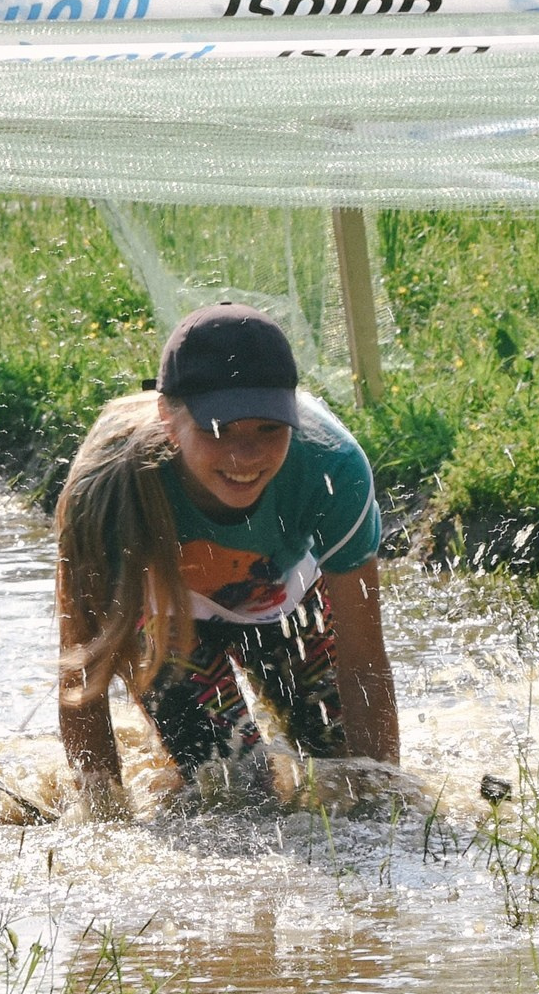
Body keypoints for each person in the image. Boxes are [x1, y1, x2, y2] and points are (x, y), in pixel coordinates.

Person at [54, 303, 399, 813]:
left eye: (268, 429)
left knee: (346, 778)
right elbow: (83, 668)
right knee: (237, 791)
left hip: (287, 604)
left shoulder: (334, 468)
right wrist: (100, 814)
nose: (247, 456)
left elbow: (364, 660)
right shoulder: (103, 485)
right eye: (220, 430)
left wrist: (387, 810)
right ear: (170, 419)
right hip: (169, 621)